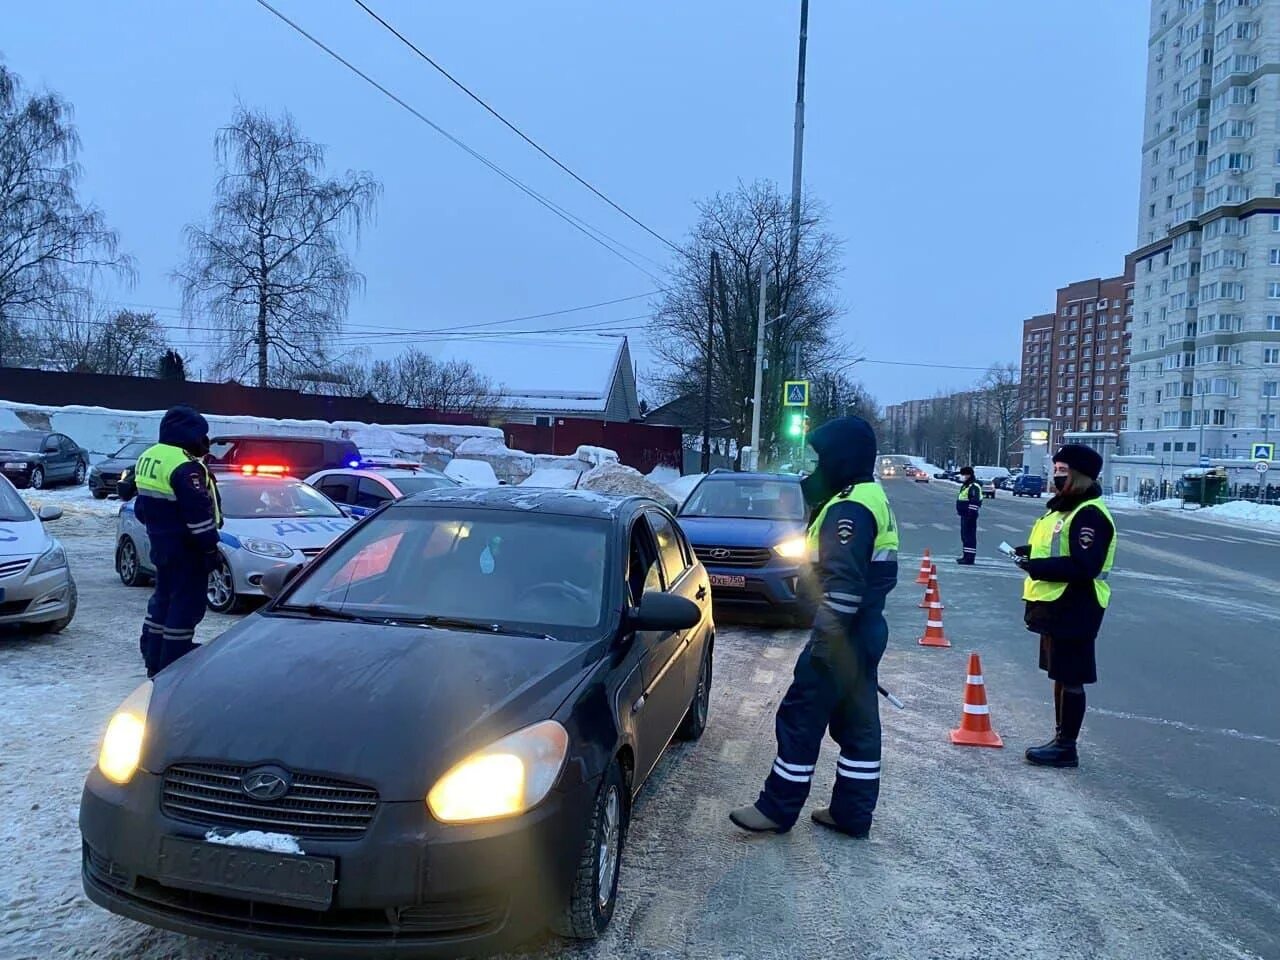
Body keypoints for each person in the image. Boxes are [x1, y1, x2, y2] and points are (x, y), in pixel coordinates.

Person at [730, 415, 898, 837]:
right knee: (858, 725)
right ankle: (852, 813)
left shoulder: (849, 508)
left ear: (841, 457)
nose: (814, 467)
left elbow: (843, 584)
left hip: (840, 635)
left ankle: (776, 809)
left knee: (800, 717)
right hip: (864, 633)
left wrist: (827, 640)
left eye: (821, 457)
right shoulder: (869, 495)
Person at [1012, 444, 1115, 768]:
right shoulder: (1064, 509)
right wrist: (1029, 553)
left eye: (1062, 473)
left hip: (1077, 604)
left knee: (1072, 676)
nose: (1056, 478)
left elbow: (1085, 565)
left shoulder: (1089, 514)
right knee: (1060, 674)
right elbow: (1055, 547)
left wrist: (1038, 567)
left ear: (1079, 476)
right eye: (1054, 471)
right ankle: (1059, 739)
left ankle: (1066, 746)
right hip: (1058, 604)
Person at [119, 406, 222, 678]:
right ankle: (172, 663)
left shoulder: (149, 457)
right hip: (187, 550)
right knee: (185, 607)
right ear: (189, 434)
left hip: (161, 545)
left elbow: (142, 507)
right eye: (202, 435)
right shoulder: (185, 466)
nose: (205, 441)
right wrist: (210, 548)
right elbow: (198, 516)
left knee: (162, 602)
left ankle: (153, 655)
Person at [955, 466, 981, 564]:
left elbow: (974, 501)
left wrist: (971, 514)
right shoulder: (967, 485)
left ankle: (969, 558)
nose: (962, 477)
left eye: (963, 475)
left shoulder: (973, 486)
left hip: (970, 516)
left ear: (968, 475)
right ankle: (966, 556)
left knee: (969, 537)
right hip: (965, 515)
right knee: (965, 537)